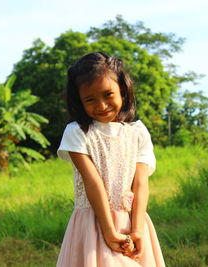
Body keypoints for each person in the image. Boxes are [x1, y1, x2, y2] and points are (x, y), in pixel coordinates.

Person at [56, 52, 165, 267]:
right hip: (93, 224)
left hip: (133, 221)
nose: (102, 105)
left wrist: (137, 229)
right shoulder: (77, 132)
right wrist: (108, 231)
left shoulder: (138, 133)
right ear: (79, 101)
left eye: (108, 94)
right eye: (90, 99)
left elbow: (141, 183)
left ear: (123, 92)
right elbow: (92, 181)